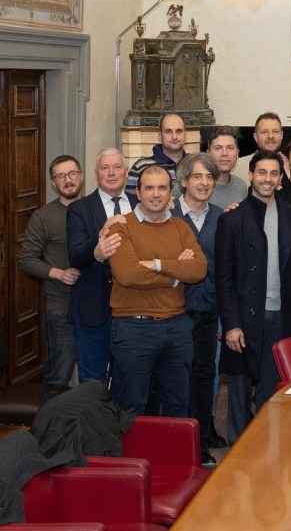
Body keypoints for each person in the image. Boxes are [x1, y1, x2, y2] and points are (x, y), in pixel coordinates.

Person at [217, 150, 291, 443]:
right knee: (239, 388)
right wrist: (231, 324)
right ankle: (237, 446)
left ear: (281, 179)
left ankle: (266, 445)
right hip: (244, 320)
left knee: (273, 388)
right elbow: (224, 278)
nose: (267, 179)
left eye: (273, 174)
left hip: (281, 315)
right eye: (262, 173)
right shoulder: (232, 219)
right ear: (251, 175)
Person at [108, 165, 207, 416]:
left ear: (170, 192)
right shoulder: (121, 227)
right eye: (149, 188)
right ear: (138, 193)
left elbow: (198, 269)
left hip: (177, 327)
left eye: (162, 187)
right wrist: (175, 276)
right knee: (132, 406)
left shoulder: (181, 228)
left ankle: (173, 457)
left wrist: (158, 264)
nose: (156, 194)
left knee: (178, 403)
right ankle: (134, 457)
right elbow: (128, 275)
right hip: (133, 329)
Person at [171, 153, 223, 465]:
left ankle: (200, 445)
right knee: (175, 379)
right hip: (174, 310)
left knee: (204, 377)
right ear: (184, 181)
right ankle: (175, 447)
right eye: (198, 177)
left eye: (209, 178)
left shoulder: (222, 216)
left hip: (209, 311)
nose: (204, 183)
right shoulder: (167, 212)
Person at [67, 148, 136, 383]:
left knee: (127, 381)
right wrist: (99, 243)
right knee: (92, 383)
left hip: (133, 309)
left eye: (117, 167)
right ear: (96, 174)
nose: (111, 173)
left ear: (126, 172)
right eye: (105, 168)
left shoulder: (141, 204)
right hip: (92, 310)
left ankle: (121, 422)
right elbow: (75, 256)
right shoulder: (79, 209)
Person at [18, 155, 83, 386]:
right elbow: (26, 259)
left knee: (94, 373)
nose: (67, 180)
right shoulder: (43, 217)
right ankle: (49, 422)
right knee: (59, 373)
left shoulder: (95, 210)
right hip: (60, 308)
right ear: (54, 183)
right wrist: (58, 273)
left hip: (96, 307)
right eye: (60, 176)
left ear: (81, 176)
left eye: (72, 173)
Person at [126, 113, 187, 194]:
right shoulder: (140, 167)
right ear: (159, 136)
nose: (174, 137)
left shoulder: (194, 165)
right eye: (168, 131)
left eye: (179, 131)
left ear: (185, 135)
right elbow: (131, 203)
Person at [232, 112, 285, 182]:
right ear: (256, 137)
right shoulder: (238, 167)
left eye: (275, 131)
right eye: (264, 132)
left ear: (281, 135)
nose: (271, 136)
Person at [207, 125, 249, 207]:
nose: (224, 153)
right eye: (218, 148)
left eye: (230, 148)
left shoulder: (241, 186)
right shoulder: (196, 185)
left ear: (237, 154)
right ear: (208, 153)